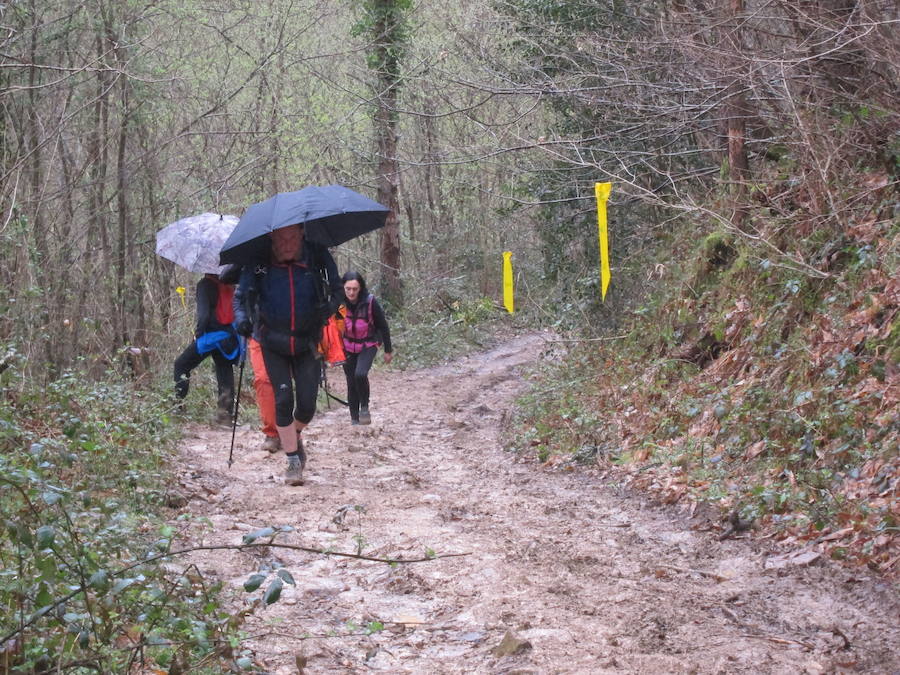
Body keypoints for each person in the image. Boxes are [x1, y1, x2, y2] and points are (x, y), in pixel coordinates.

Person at [233, 224, 340, 485]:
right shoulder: (258, 261)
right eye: (283, 238)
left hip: (307, 342)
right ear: (272, 237)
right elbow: (240, 297)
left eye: (293, 236)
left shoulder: (317, 255)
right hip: (272, 341)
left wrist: (329, 307)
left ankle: (293, 435)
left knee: (306, 405)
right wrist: (242, 320)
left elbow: (337, 288)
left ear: (302, 234)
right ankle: (292, 459)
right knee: (282, 400)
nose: (288, 243)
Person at [173, 265, 241, 424]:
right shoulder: (230, 284)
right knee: (224, 371)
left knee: (181, 365)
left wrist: (198, 334)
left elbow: (203, 316)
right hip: (229, 337)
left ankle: (178, 408)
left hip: (210, 337)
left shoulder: (204, 284)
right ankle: (225, 416)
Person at [339, 272, 393, 425]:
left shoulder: (370, 302)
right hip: (347, 345)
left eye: (355, 289)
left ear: (360, 288)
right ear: (343, 288)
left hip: (368, 344)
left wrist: (388, 350)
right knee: (351, 381)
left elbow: (383, 326)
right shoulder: (338, 303)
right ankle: (354, 418)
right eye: (348, 288)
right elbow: (331, 327)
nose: (351, 292)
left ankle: (364, 406)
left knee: (360, 374)